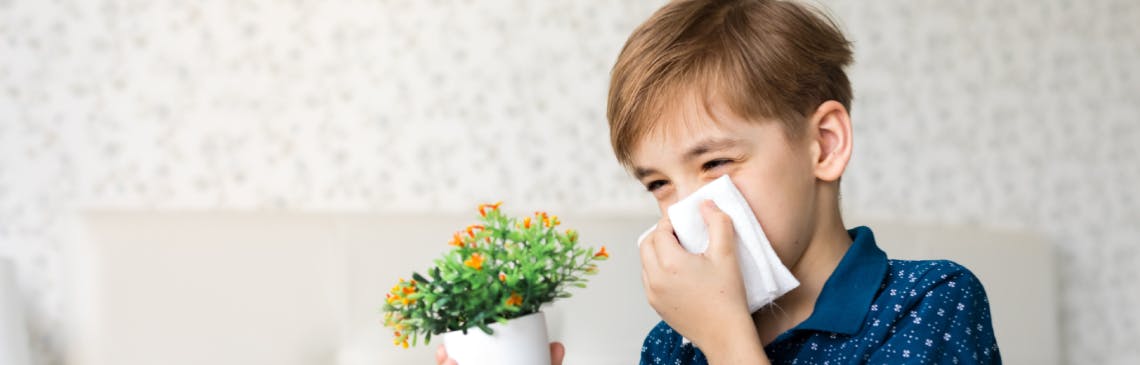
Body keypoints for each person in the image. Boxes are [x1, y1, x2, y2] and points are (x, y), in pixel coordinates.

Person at [438, 0, 1000, 364]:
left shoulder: (930, 303)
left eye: (714, 165)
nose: (688, 211)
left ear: (824, 144)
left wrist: (727, 338)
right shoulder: (674, 346)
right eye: (658, 184)